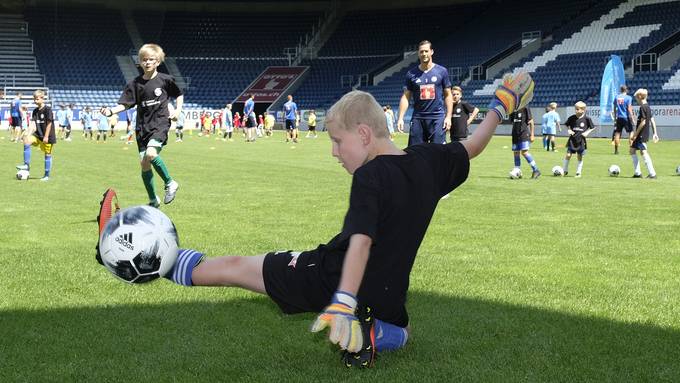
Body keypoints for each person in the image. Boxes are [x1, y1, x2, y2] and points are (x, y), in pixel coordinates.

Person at [135, 73, 534, 368]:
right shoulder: (430, 162)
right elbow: (474, 145)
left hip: (330, 275)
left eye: (336, 140)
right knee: (403, 333)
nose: (333, 152)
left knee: (240, 268)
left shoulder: (371, 176)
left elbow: (360, 241)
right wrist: (502, 103)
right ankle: (370, 332)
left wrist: (342, 299)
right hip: (388, 293)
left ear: (363, 134)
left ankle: (155, 260)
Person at [101, 43, 183, 207]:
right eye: (144, 60)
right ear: (140, 62)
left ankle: (170, 183)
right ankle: (153, 200)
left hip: (160, 123)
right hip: (142, 127)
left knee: (151, 154)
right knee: (144, 163)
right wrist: (111, 111)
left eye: (151, 59)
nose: (147, 62)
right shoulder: (135, 84)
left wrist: (177, 111)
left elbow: (179, 94)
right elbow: (126, 104)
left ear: (158, 61)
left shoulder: (165, 80)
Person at [397, 40, 452, 146]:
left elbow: (448, 95)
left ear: (432, 52)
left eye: (426, 51)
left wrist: (448, 117)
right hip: (418, 118)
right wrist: (400, 118)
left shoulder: (442, 71)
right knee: (416, 153)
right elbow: (405, 97)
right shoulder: (411, 74)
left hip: (437, 118)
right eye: (421, 52)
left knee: (438, 153)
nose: (424, 54)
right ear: (418, 53)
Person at [16, 90, 54, 181]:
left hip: (47, 136)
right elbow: (32, 125)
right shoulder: (35, 111)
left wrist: (46, 136)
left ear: (42, 98)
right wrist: (27, 134)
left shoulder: (47, 109)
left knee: (47, 155)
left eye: (37, 99)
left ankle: (46, 175)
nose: (35, 101)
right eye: (34, 99)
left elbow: (49, 124)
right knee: (26, 140)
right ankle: (26, 165)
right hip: (37, 135)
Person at [629, 88, 659, 178]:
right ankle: (637, 173)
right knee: (632, 150)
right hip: (642, 133)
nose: (636, 100)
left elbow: (644, 122)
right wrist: (655, 133)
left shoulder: (643, 107)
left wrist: (635, 134)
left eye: (636, 99)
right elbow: (652, 121)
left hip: (641, 134)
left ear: (640, 96)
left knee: (643, 152)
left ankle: (652, 173)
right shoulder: (648, 107)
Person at [562, 101, 595, 178]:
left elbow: (593, 127)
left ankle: (578, 172)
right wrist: (569, 130)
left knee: (579, 156)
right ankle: (564, 170)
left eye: (578, 109)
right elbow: (566, 125)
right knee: (568, 155)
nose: (576, 110)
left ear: (583, 110)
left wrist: (587, 132)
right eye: (575, 109)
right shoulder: (572, 118)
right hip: (572, 140)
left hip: (581, 140)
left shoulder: (587, 119)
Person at [509, 106, 540, 179]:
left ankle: (536, 170)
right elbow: (513, 121)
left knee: (524, 152)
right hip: (515, 134)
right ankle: (517, 170)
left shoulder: (525, 107)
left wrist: (532, 135)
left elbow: (531, 121)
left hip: (524, 133)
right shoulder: (512, 108)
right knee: (516, 152)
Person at [611, 85, 634, 155]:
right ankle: (631, 149)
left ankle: (616, 150)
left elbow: (614, 108)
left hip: (619, 118)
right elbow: (629, 108)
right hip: (626, 117)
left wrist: (615, 117)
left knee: (617, 133)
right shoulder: (628, 98)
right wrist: (632, 118)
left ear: (621, 90)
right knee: (631, 132)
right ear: (626, 90)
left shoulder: (617, 97)